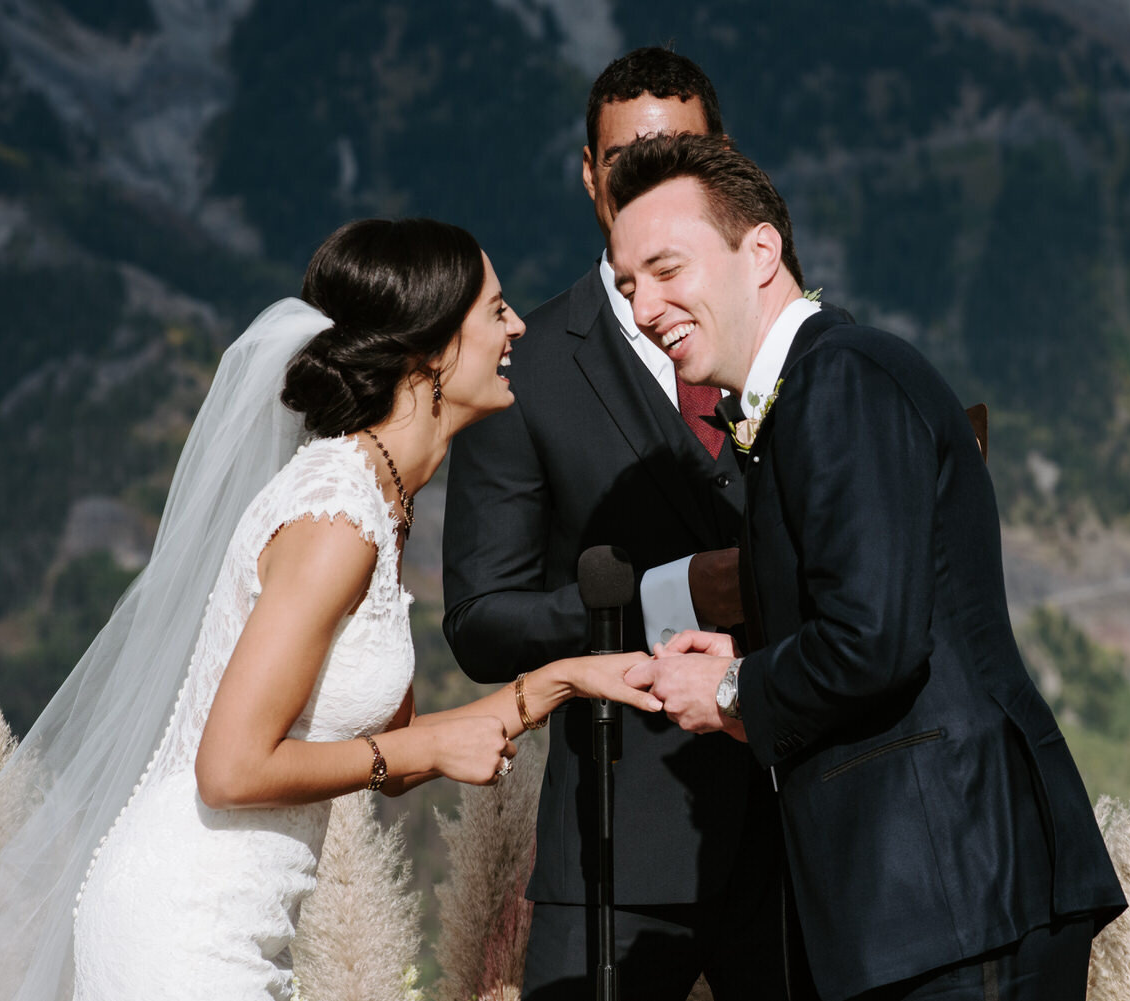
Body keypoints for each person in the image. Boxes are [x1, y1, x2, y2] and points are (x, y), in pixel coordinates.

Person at [0, 218, 659, 1001]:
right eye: (495, 308)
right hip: (186, 925)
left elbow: (398, 748)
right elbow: (231, 767)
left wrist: (547, 686)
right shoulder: (336, 520)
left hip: (234, 920)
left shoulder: (380, 502)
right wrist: (432, 745)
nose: (518, 325)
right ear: (428, 349)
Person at [610, 134, 1128, 1001]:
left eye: (667, 269)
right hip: (928, 904)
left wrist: (734, 691)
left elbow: (874, 641)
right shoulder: (805, 399)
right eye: (628, 286)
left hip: (954, 898)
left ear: (762, 249)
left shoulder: (838, 381)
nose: (646, 305)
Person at [442, 49, 786, 999]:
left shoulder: (788, 335)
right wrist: (665, 596)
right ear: (589, 174)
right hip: (615, 857)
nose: (652, 180)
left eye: (681, 155)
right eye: (628, 160)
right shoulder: (530, 370)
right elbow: (481, 619)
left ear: (725, 161)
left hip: (798, 833)